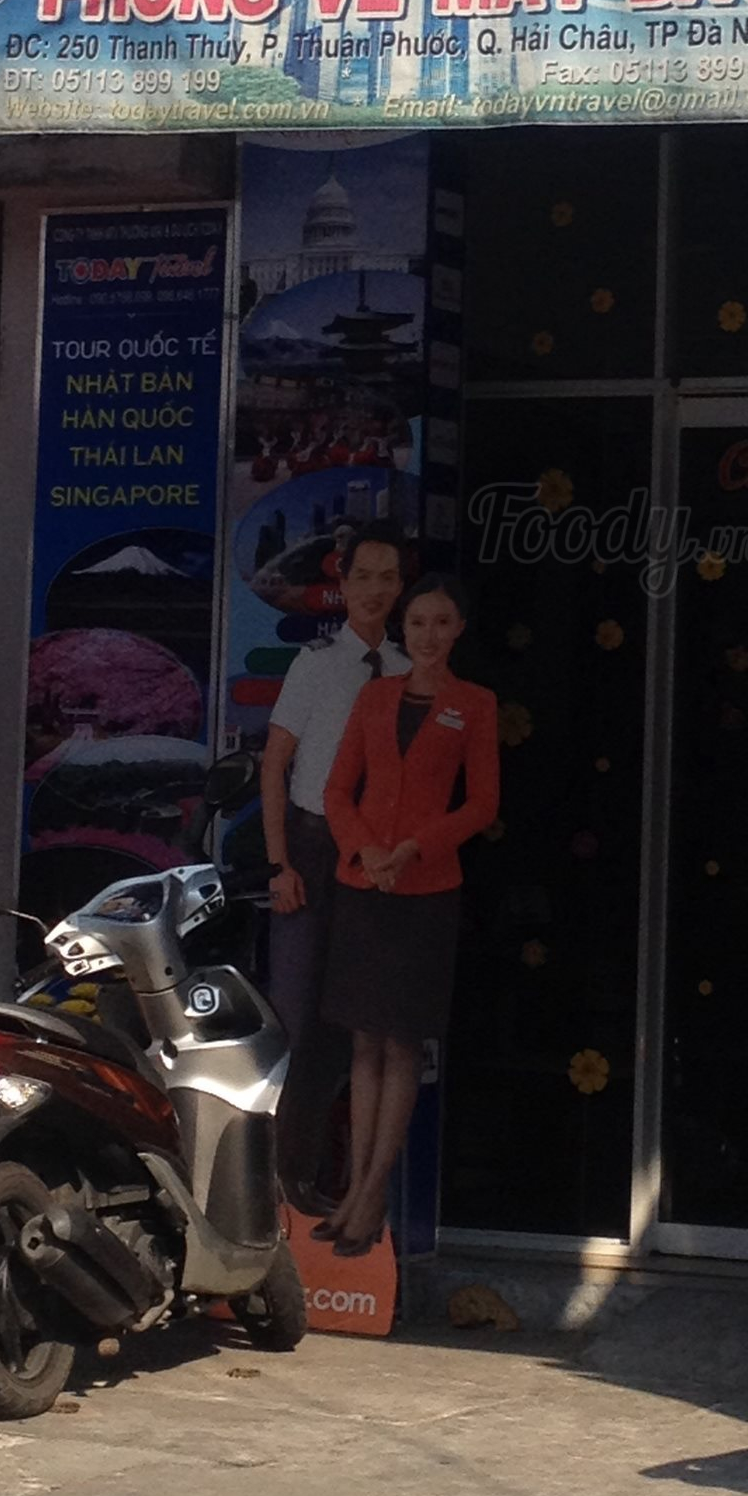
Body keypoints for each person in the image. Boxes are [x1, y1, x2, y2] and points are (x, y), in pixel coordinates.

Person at [320, 574, 498, 1255]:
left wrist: (414, 849)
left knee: (401, 1043)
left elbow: (481, 804)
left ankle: (372, 1194)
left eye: (441, 622)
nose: (428, 635)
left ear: (459, 630)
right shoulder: (375, 696)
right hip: (364, 882)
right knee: (363, 1041)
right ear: (404, 628)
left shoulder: (474, 704)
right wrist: (366, 850)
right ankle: (352, 1188)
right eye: (418, 622)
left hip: (425, 889)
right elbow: (338, 789)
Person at [260, 521, 409, 1211]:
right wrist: (279, 864)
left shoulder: (408, 670)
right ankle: (269, 1181)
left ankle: (317, 1177)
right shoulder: (315, 664)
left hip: (376, 856)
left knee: (352, 1024)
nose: (375, 590)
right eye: (363, 577)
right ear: (342, 585)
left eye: (388, 578)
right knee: (293, 1019)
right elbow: (275, 765)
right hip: (311, 845)